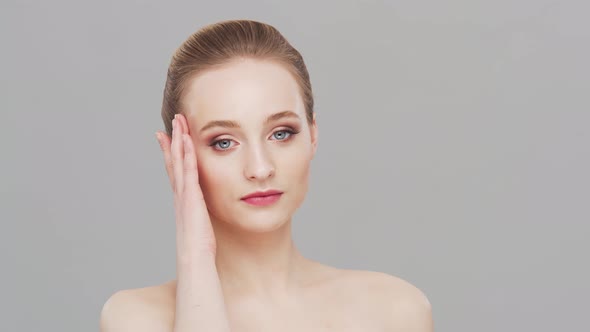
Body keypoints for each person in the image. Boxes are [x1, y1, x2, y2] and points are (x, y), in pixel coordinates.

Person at [99, 19, 433, 331]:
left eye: (281, 133)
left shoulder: (394, 311)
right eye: (224, 142)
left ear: (313, 134)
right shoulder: (137, 318)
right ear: (177, 154)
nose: (260, 168)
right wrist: (195, 258)